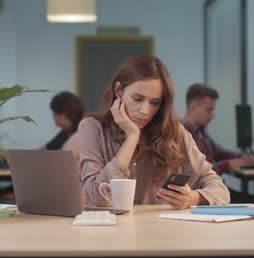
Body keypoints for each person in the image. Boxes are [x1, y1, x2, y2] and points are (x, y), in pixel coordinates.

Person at [78, 56, 230, 209]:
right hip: (110, 231)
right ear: (118, 91)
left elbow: (220, 190)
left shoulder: (175, 132)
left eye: (155, 102)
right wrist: (132, 137)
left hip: (161, 229)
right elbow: (98, 199)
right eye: (138, 99)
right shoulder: (92, 128)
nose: (146, 111)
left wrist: (195, 198)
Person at [180, 83, 254, 175]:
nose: (213, 115)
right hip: (200, 188)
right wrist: (228, 164)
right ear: (193, 107)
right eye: (209, 110)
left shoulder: (200, 132)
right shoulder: (181, 134)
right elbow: (198, 174)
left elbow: (220, 153)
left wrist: (244, 158)